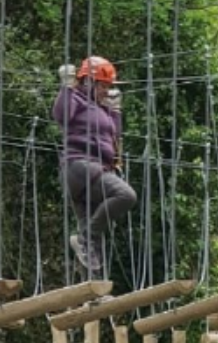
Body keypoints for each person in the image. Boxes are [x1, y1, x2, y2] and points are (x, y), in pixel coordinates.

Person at [53, 56, 137, 274]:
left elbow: (114, 137)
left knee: (92, 248)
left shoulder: (99, 108)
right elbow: (61, 116)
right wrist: (67, 87)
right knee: (126, 195)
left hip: (93, 170)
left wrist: (115, 112)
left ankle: (94, 291)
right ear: (89, 82)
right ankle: (85, 237)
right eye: (102, 86)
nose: (105, 91)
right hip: (80, 167)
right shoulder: (77, 99)